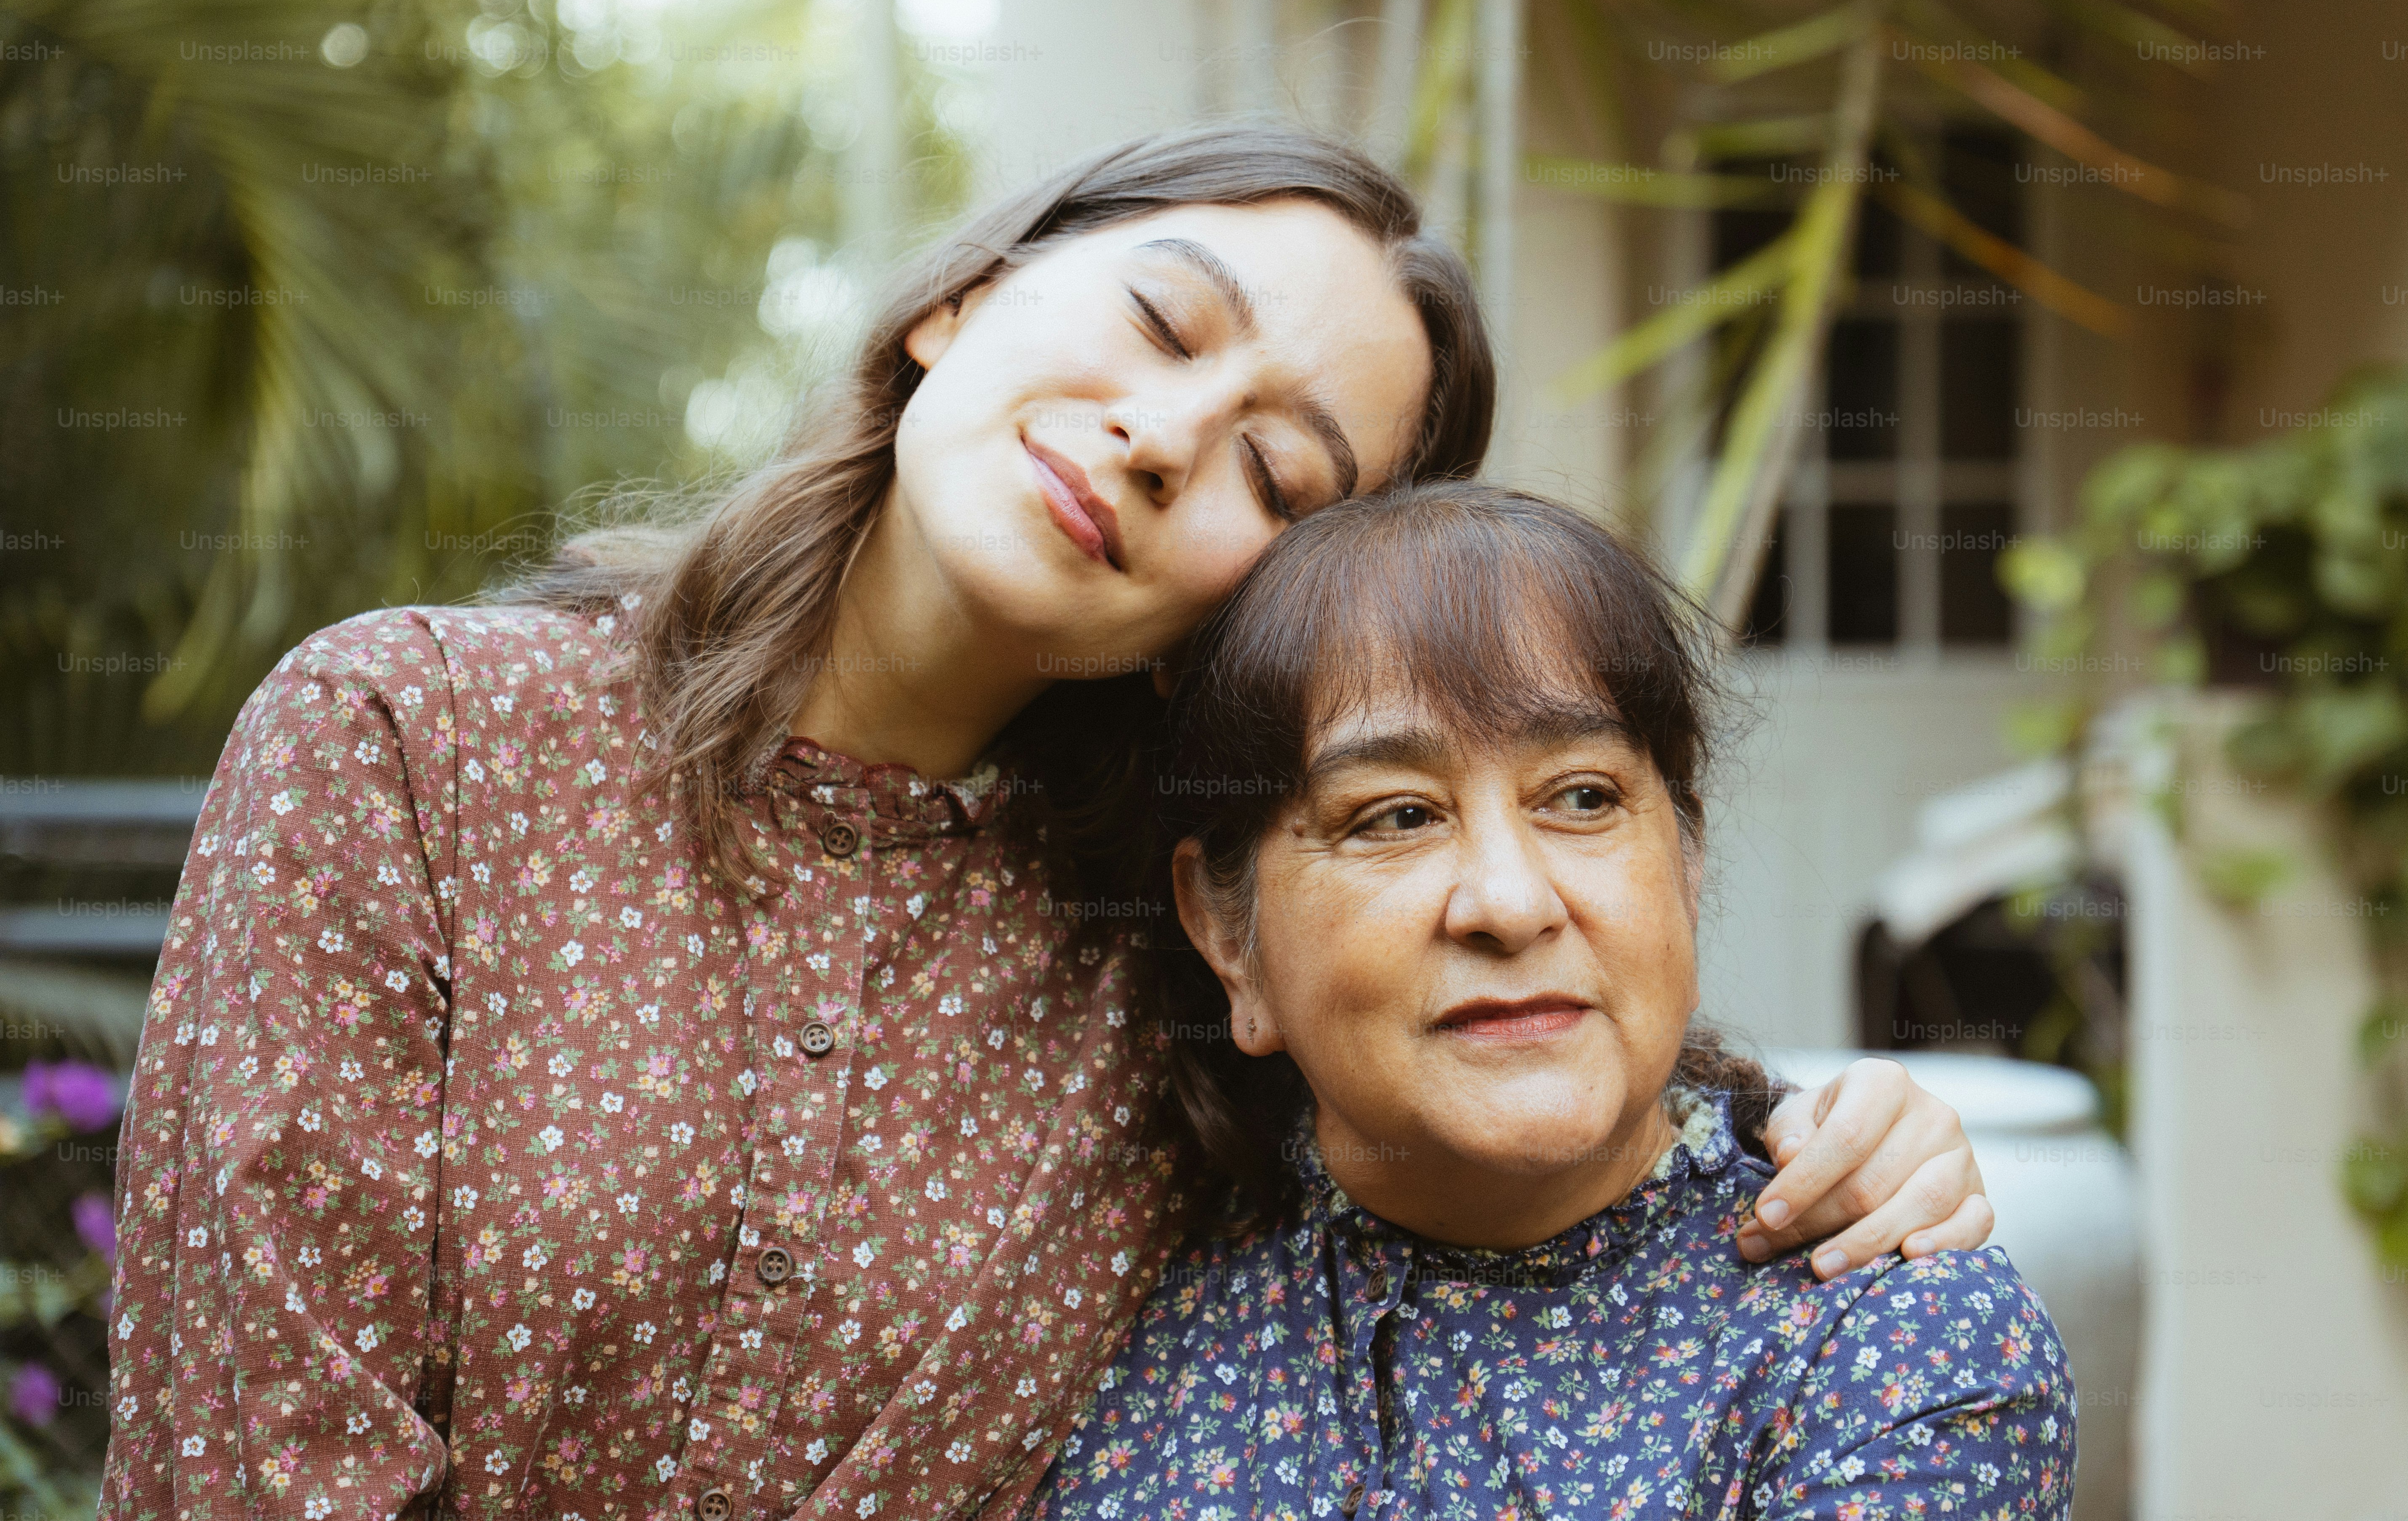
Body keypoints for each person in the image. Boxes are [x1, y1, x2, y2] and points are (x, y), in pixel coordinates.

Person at [103, 126, 1994, 1521]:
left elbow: (1503, 1061)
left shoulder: (1167, 967)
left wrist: (1826, 1130)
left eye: (1276, 468)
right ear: (960, 297)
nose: (1169, 438)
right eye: (1165, 321)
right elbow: (248, 1463)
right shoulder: (410, 743)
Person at [1030, 484, 2075, 1520]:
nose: (1511, 903)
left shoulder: (1887, 1344)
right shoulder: (1088, 1305)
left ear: (1687, 863)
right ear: (1227, 936)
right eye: (1396, 816)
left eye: (1583, 797)